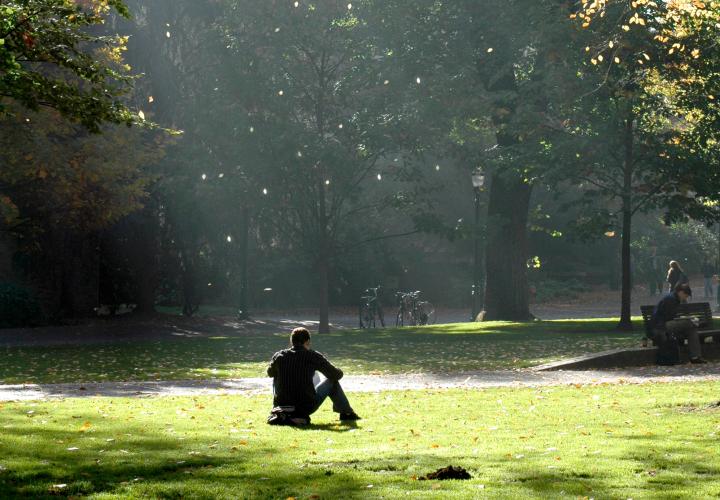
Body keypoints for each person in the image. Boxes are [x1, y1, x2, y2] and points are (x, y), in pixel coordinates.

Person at [266, 327, 360, 425]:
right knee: (331, 381)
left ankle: (286, 415)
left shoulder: (279, 356)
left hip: (281, 406)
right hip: (305, 406)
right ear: (307, 341)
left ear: (292, 341)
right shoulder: (312, 356)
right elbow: (336, 375)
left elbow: (269, 373)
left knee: (275, 373)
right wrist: (339, 370)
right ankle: (347, 413)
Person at [651, 283, 707, 364]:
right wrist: (683, 319)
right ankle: (698, 323)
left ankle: (695, 356)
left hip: (665, 324)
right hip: (661, 326)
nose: (685, 298)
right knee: (690, 323)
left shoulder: (674, 298)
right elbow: (668, 317)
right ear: (680, 292)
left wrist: (680, 319)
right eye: (686, 295)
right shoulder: (671, 299)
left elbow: (671, 316)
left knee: (692, 329)